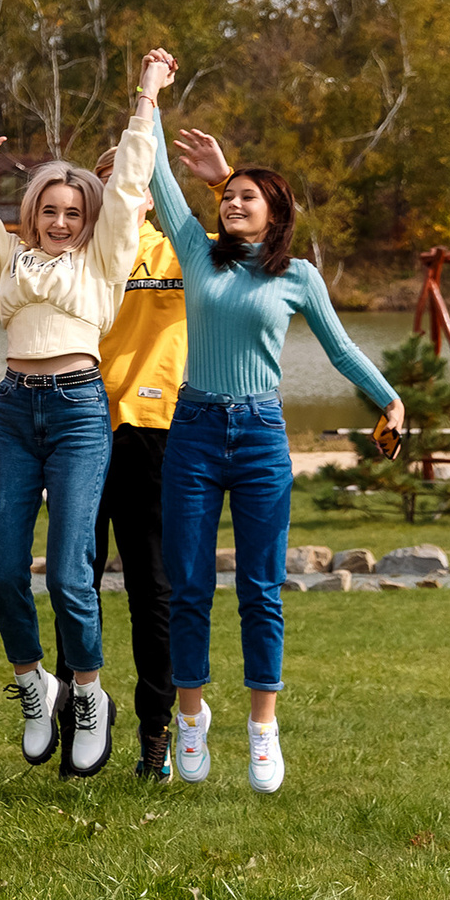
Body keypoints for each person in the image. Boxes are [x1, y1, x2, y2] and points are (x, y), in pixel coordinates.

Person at [0, 49, 174, 782]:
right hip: (15, 411)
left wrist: (146, 92)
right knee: (5, 573)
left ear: (88, 218)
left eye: (71, 211)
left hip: (81, 411)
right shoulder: (8, 255)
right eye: (48, 208)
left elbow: (133, 177)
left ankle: (87, 692)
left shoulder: (104, 259)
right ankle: (34, 684)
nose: (59, 218)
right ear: (32, 213)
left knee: (71, 577)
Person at [149, 122, 402, 794]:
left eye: (245, 196)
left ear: (276, 212)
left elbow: (342, 349)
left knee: (261, 588)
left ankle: (264, 728)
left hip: (260, 434)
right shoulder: (199, 254)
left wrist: (390, 399)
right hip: (195, 430)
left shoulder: (298, 275)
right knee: (190, 586)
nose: (230, 203)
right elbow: (154, 172)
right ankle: (192, 716)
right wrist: (150, 91)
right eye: (226, 195)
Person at [92, 141, 187, 781]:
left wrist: (225, 179)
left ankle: (156, 733)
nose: (123, 189)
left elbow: (259, 238)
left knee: (153, 589)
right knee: (76, 581)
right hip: (80, 426)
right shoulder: (72, 253)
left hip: (154, 432)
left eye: (136, 180)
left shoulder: (183, 252)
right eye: (109, 180)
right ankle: (86, 713)